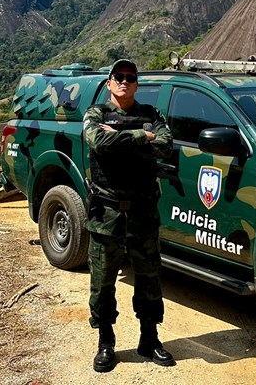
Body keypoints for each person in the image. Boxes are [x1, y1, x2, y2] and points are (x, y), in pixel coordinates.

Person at [82, 58, 174, 373]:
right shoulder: (95, 114)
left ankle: (149, 339)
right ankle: (106, 342)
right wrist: (141, 137)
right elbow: (98, 140)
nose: (124, 81)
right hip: (106, 212)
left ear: (137, 84)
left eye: (130, 77)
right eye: (118, 77)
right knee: (103, 280)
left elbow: (165, 145)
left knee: (149, 278)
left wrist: (131, 135)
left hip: (143, 212)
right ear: (109, 83)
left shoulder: (152, 114)